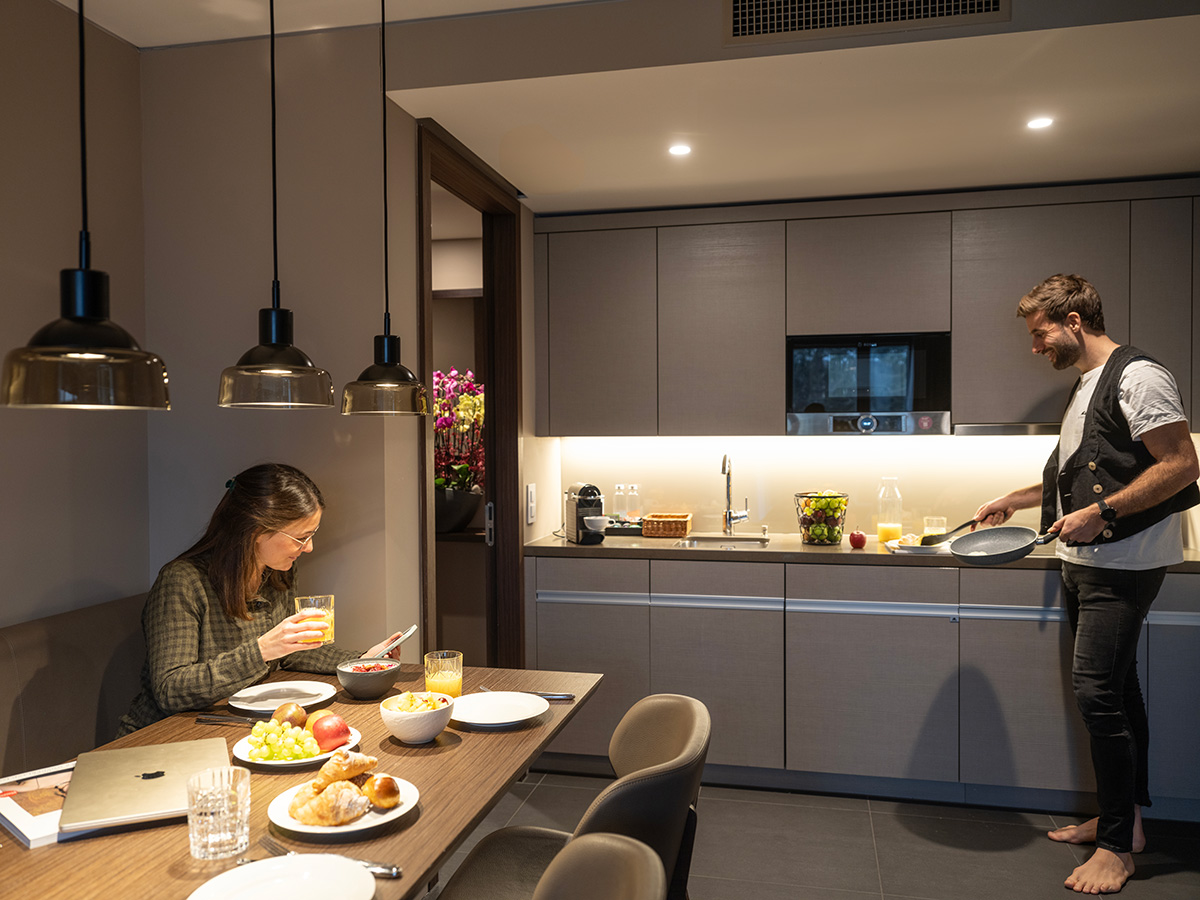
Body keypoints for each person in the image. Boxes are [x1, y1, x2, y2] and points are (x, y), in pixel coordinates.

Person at [974, 274, 1199, 894]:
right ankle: (1124, 824)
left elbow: (1182, 464)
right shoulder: (1086, 387)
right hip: (1089, 564)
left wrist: (1104, 514)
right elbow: (1085, 475)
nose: (1034, 345)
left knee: (1097, 693)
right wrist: (1016, 500)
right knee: (1118, 692)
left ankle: (1116, 849)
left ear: (1075, 321)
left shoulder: (1137, 376)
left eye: (1040, 331)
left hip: (1124, 564)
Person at [118, 463, 409, 736]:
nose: (309, 548)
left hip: (235, 725)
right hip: (165, 734)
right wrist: (260, 651)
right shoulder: (182, 581)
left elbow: (291, 653)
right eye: (300, 538)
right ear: (256, 531)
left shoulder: (278, 572)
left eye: (312, 534)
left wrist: (361, 661)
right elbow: (171, 690)